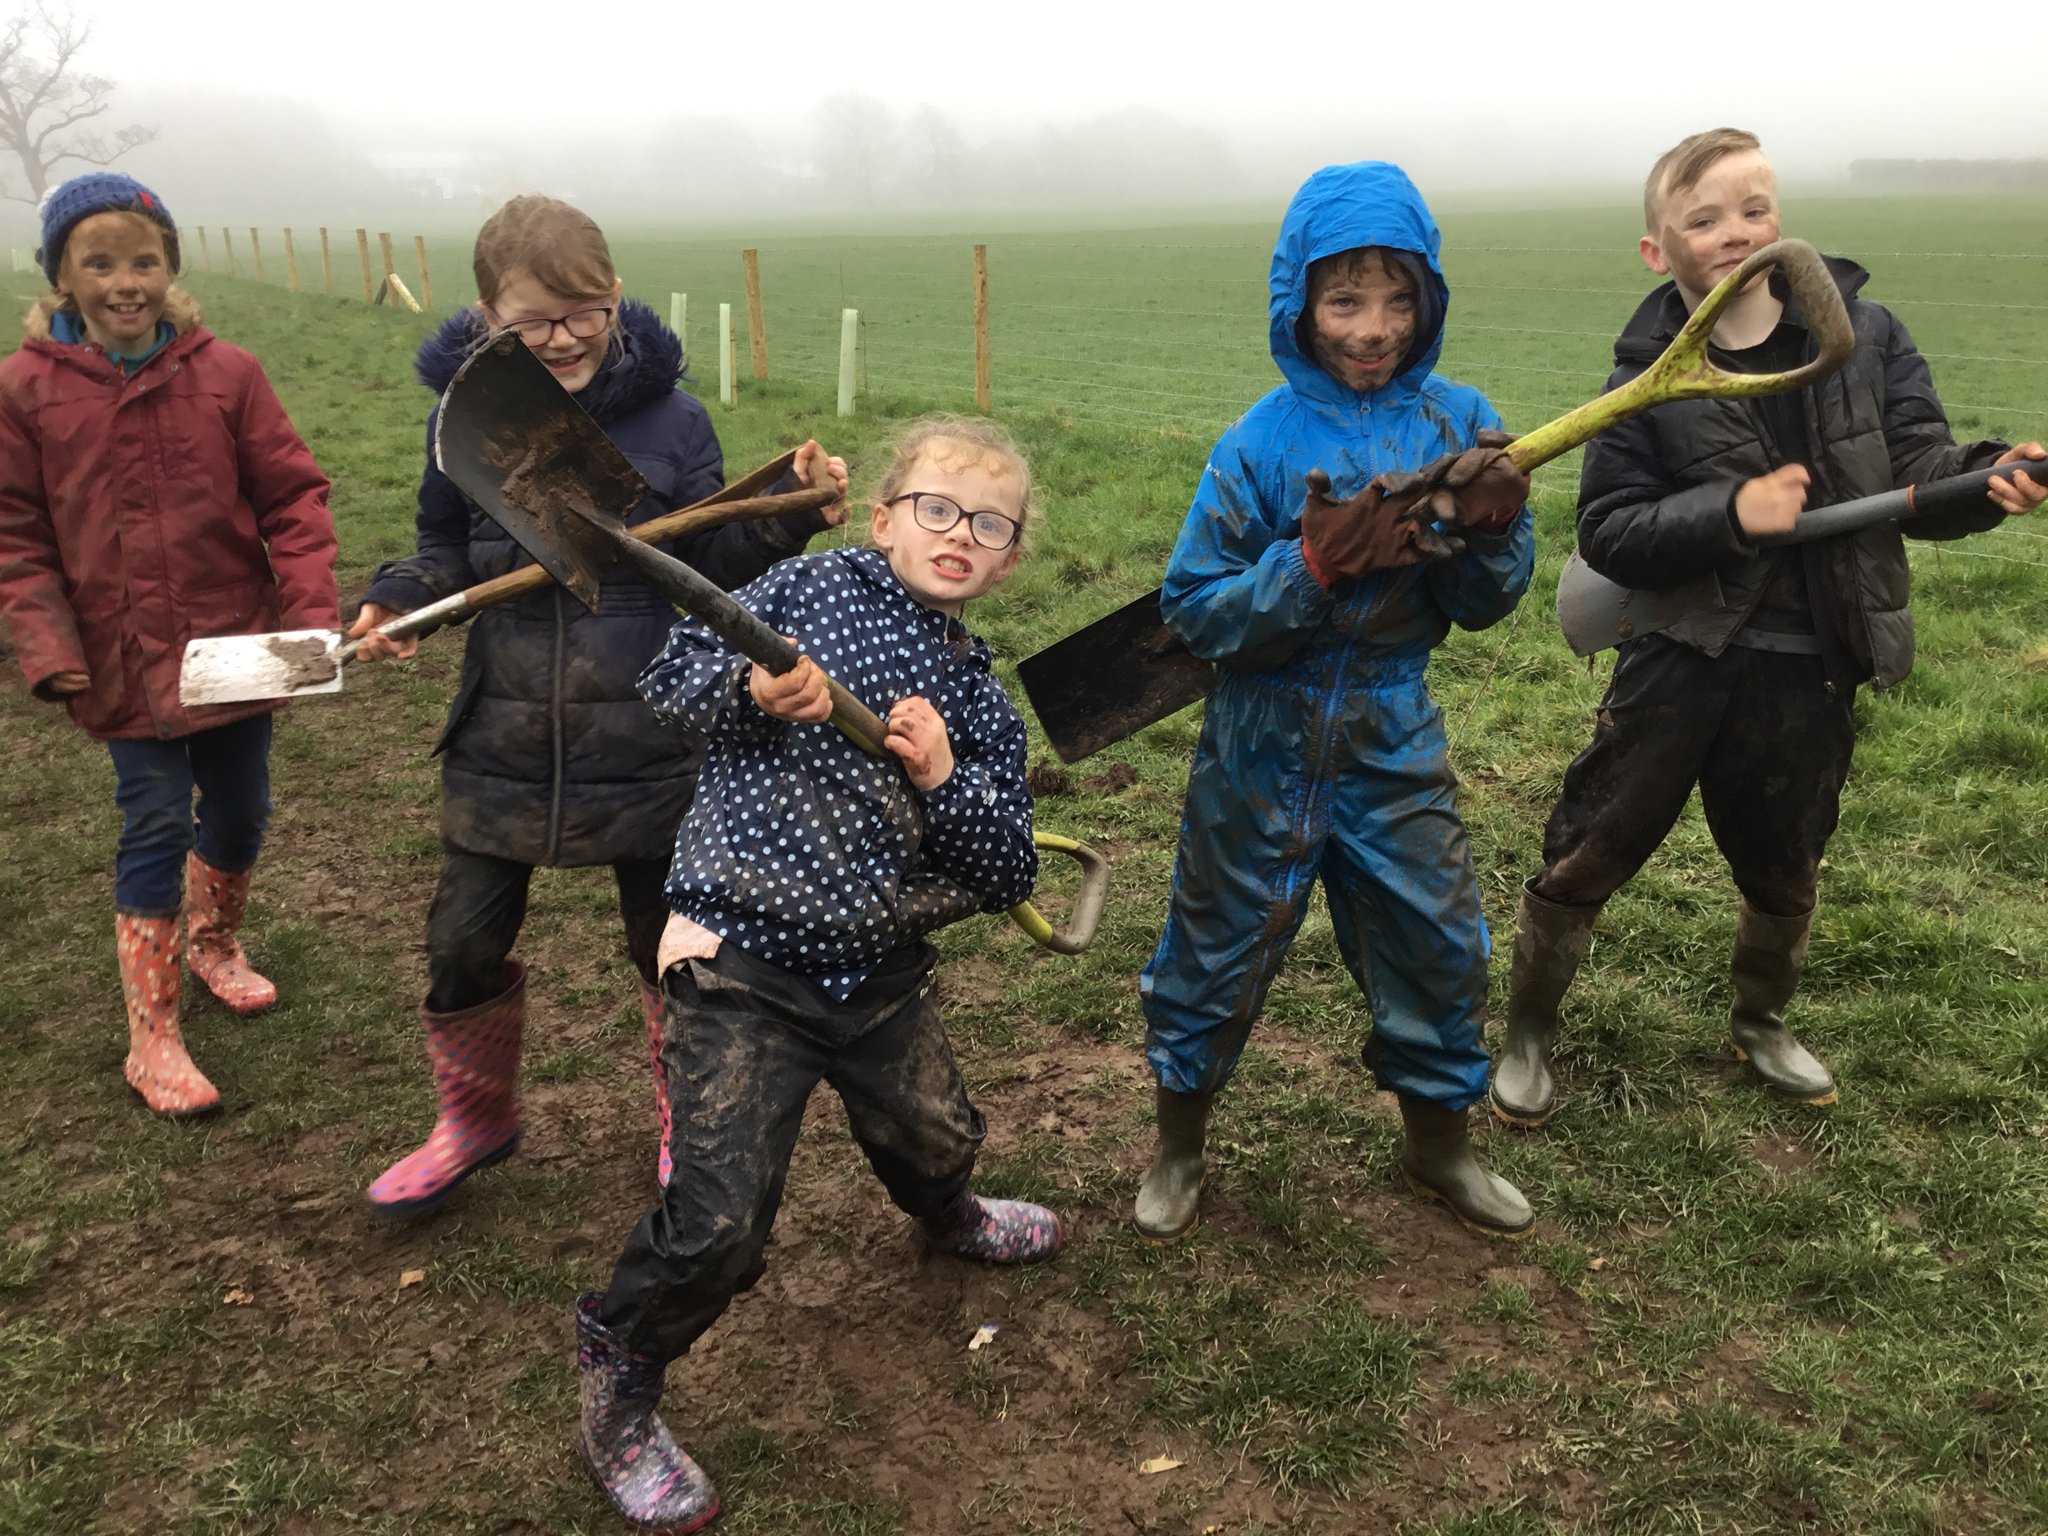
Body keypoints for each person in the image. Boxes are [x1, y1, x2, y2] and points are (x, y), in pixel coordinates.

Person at [1490, 128, 2048, 1127]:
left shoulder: (1865, 335)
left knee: (1785, 861)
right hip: (1678, 656)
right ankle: (1529, 1028)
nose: (1733, 231)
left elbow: (1913, 459)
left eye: (1752, 209)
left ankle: (1757, 1021)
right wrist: (1728, 514)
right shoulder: (1644, 375)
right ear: (1657, 253)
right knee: (1591, 846)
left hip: (1808, 660)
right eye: (1700, 219)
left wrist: (1984, 474)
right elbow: (1609, 529)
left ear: (1778, 222)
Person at [572, 416, 1062, 1533]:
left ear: (1008, 557)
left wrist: (945, 779)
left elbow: (1005, 867)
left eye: (989, 524)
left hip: (878, 968)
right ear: (885, 517)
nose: (959, 534)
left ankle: (947, 1212)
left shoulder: (976, 696)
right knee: (718, 1226)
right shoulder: (800, 596)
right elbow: (670, 679)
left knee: (936, 1135)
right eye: (935, 508)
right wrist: (754, 692)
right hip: (741, 960)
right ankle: (622, 1368)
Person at [349, 195, 848, 1214]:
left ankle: (690, 1118)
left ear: (615, 296)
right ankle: (475, 1119)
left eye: (586, 309)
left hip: (650, 729)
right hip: (505, 732)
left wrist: (789, 517)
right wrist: (401, 597)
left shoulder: (674, 423)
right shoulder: (465, 423)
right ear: (487, 312)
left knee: (662, 945)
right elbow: (442, 548)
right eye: (534, 319)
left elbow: (710, 562)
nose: (565, 335)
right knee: (461, 941)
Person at [1133, 161, 1538, 1245]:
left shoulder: (1462, 422)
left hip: (1389, 728)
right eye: (1343, 299)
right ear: (1297, 305)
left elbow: (1492, 603)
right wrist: (1305, 570)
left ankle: (1435, 1146)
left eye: (1397, 298)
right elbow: (1192, 608)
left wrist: (1488, 538)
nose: (1371, 327)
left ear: (1429, 299)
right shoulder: (1257, 443)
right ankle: (1178, 1143)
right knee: (1214, 944)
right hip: (1258, 732)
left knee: (1432, 940)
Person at [0, 172, 337, 1117]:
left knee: (240, 813)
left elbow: (293, 497)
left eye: (143, 259)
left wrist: (306, 611)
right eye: (98, 261)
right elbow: (16, 532)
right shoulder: (24, 390)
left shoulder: (228, 373)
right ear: (62, 275)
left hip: (237, 646)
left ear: (171, 267)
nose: (124, 280)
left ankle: (215, 942)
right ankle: (153, 1038)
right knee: (152, 819)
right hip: (118, 659)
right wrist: (43, 639)